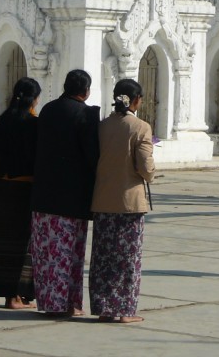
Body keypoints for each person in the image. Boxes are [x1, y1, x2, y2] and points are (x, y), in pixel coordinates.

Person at [30, 69, 99, 317]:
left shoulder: (48, 109)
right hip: (72, 196)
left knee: (48, 253)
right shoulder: (86, 114)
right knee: (72, 253)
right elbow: (92, 156)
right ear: (86, 91)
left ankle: (50, 302)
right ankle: (69, 303)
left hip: (44, 193)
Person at [89, 79, 155, 324]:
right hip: (129, 202)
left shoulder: (101, 126)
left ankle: (104, 307)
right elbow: (145, 167)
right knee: (127, 258)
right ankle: (125, 309)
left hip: (102, 200)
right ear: (135, 100)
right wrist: (152, 173)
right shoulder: (141, 127)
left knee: (103, 257)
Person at [0, 77, 41, 309]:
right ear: (33, 99)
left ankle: (5, 291)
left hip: (1, 187)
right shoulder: (34, 123)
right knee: (22, 242)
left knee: (1, 242)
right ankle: (15, 296)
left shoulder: (4, 119)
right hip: (23, 187)